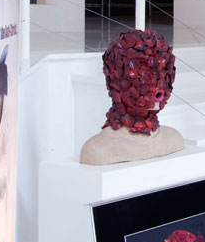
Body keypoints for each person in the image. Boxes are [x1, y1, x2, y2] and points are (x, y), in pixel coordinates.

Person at [79, 29, 184, 164]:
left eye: (164, 71)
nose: (159, 83)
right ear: (114, 79)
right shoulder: (97, 150)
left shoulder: (173, 138)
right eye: (145, 73)